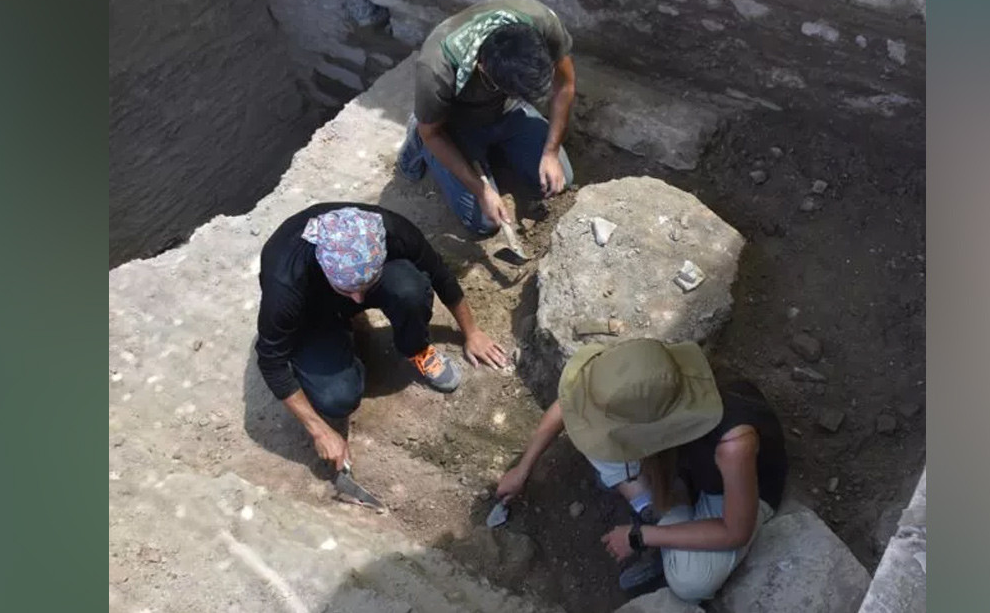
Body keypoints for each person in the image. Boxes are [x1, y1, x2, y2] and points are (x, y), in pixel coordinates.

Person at [495, 338, 789, 602]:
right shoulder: (647, 379)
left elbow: (735, 531)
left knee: (690, 582)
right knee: (589, 428)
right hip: (677, 462)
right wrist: (522, 469)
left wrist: (639, 536)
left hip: (726, 492)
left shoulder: (734, 446)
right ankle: (665, 516)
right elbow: (569, 406)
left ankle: (664, 524)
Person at [255, 203, 509, 471]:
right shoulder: (285, 285)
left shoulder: (392, 230)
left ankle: (416, 348)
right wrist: (319, 430)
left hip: (352, 283)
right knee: (337, 398)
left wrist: (472, 332)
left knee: (410, 288)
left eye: (365, 286)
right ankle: (331, 341)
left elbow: (440, 274)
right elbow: (271, 362)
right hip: (312, 313)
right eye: (348, 290)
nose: (358, 300)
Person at [397, 0, 576, 235]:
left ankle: (494, 150)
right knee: (486, 223)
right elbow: (433, 134)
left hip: (508, 110)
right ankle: (421, 124)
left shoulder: (540, 21)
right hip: (456, 123)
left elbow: (564, 84)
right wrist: (481, 190)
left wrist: (550, 152)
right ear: (481, 66)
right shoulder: (437, 70)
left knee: (559, 181)